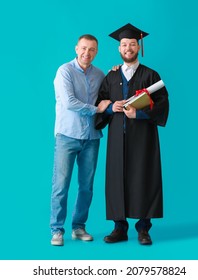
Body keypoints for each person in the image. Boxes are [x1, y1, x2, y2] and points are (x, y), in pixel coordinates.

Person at [95, 23, 169, 245]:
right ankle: (119, 227)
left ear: (139, 47)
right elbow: (99, 103)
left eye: (132, 44)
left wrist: (141, 114)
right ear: (119, 49)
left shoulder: (151, 75)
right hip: (117, 137)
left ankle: (143, 228)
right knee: (117, 179)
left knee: (144, 177)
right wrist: (110, 108)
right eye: (124, 44)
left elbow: (163, 103)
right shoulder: (110, 76)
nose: (128, 48)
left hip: (143, 138)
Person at [50, 34, 111, 246]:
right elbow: (69, 102)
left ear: (96, 52)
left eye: (92, 49)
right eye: (84, 48)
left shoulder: (100, 74)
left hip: (92, 137)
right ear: (77, 48)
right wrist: (96, 109)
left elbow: (108, 94)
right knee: (61, 185)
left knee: (86, 186)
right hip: (67, 135)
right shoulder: (64, 71)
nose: (87, 53)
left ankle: (78, 227)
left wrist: (115, 74)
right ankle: (57, 230)